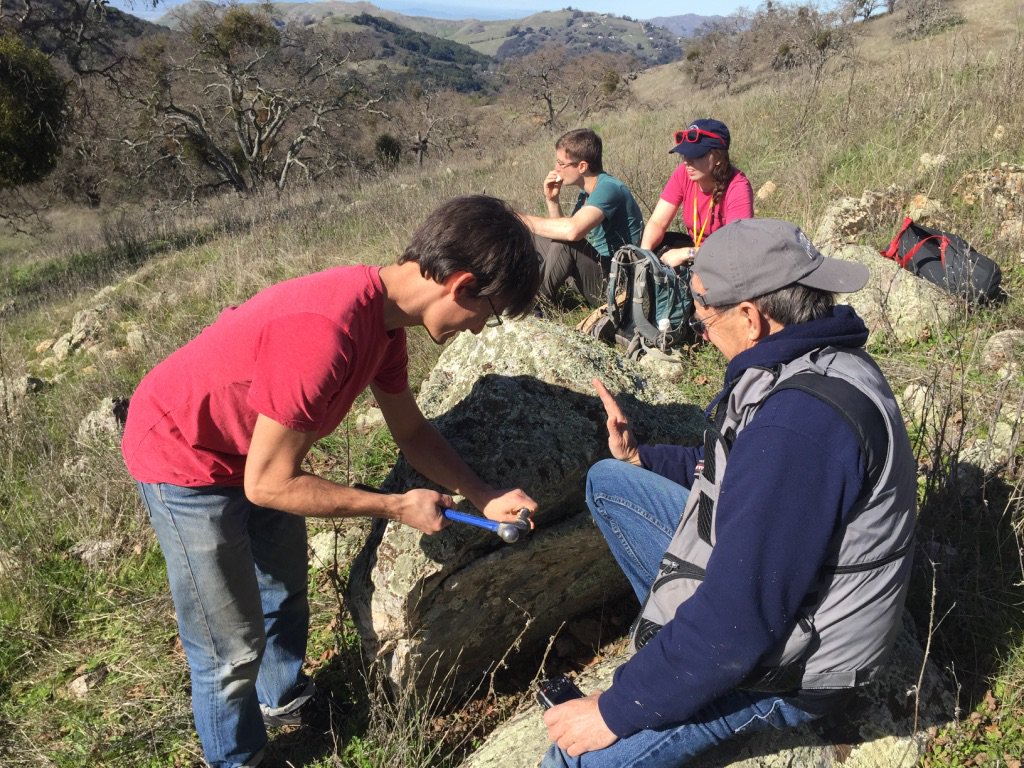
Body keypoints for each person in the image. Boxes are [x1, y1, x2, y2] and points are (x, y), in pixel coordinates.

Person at [120, 195, 541, 768]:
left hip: (255, 452)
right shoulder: (328, 332)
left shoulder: (386, 327)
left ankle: (282, 699)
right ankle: (240, 759)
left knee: (284, 590)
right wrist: (395, 506)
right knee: (227, 646)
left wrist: (483, 493)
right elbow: (268, 486)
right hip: (183, 453)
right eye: (487, 312)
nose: (478, 329)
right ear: (461, 285)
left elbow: (412, 433)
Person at [541, 218, 917, 768]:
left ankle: (683, 666)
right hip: (772, 597)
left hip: (796, 666)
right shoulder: (814, 359)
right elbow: (734, 473)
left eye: (703, 317)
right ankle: (680, 652)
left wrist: (617, 708)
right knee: (612, 483)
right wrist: (640, 457)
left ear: (750, 316)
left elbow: (739, 622)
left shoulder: (799, 427)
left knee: (569, 761)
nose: (700, 332)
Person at [519, 128, 644, 307]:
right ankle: (520, 289)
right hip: (595, 272)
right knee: (534, 237)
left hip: (617, 287)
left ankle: (535, 306)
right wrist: (552, 200)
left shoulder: (608, 188)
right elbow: (563, 232)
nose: (556, 169)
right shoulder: (586, 194)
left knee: (567, 241)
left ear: (582, 166)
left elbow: (572, 233)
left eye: (561, 164)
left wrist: (521, 219)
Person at [641, 118, 754, 269]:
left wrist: (686, 254)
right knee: (651, 245)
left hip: (724, 261)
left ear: (718, 158)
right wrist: (644, 258)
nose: (687, 161)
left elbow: (735, 248)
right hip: (697, 250)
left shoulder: (738, 187)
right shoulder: (684, 173)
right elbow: (657, 222)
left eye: (696, 155)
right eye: (685, 155)